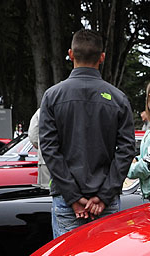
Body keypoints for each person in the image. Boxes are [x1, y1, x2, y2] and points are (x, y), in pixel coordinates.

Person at [38, 29, 133, 238]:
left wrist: (73, 197)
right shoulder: (118, 99)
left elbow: (49, 148)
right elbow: (126, 150)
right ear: (102, 57)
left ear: (71, 54)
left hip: (66, 200)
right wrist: (104, 195)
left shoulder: (52, 96)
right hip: (105, 201)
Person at [26, 108, 51, 189]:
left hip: (45, 158)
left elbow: (33, 134)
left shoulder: (42, 110)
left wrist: (40, 146)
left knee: (46, 190)